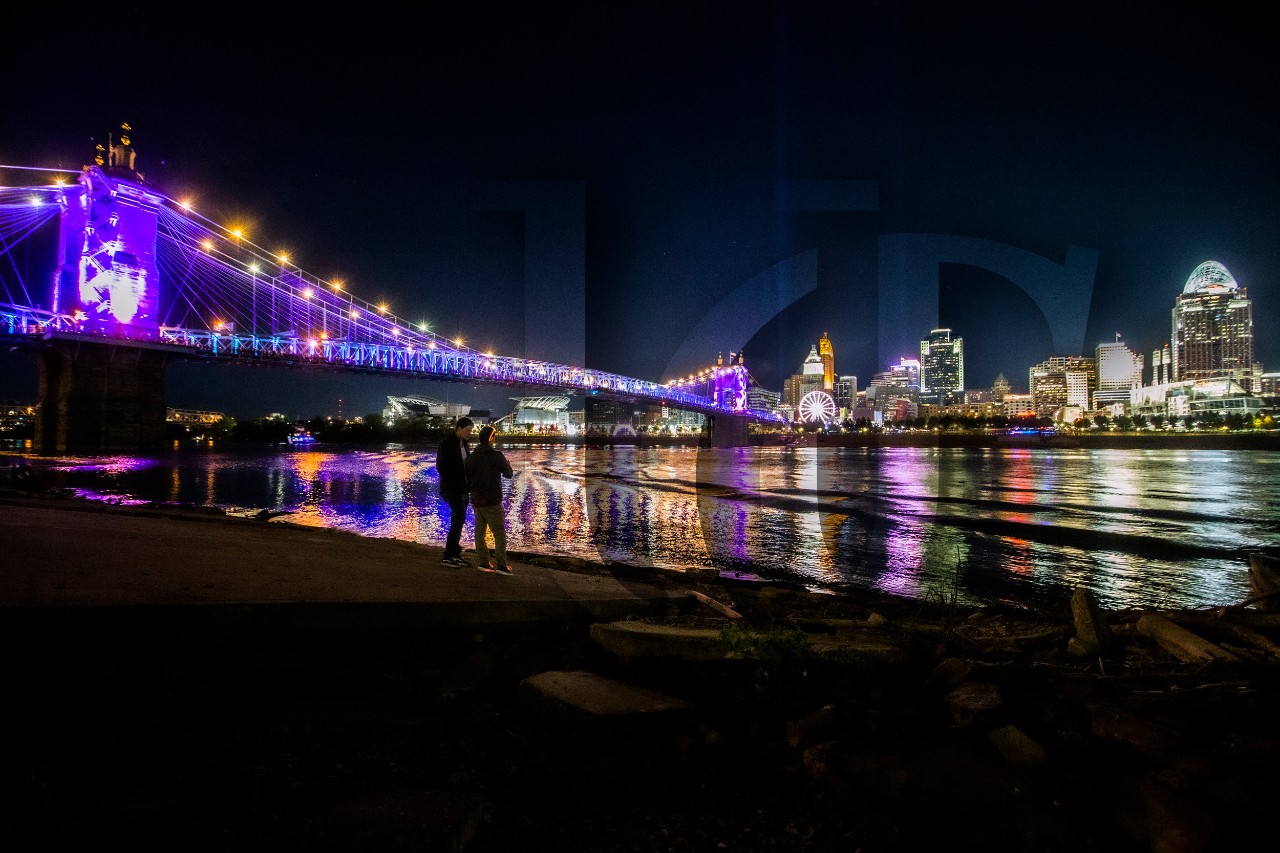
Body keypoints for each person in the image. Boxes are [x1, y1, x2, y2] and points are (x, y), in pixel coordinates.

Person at [464, 424, 515, 575]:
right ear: (491, 438)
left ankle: (483, 562)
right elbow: (508, 474)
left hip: (476, 500)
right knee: (499, 534)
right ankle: (501, 565)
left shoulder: (471, 457)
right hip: (492, 500)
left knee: (480, 532)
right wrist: (509, 466)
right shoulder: (497, 456)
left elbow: (468, 478)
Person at [436, 416, 474, 567]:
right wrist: (457, 477)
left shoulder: (464, 444)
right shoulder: (446, 444)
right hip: (452, 488)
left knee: (458, 520)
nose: (470, 433)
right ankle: (448, 556)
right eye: (467, 430)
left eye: (471, 430)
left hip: (463, 488)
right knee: (458, 518)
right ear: (459, 428)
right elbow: (441, 467)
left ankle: (455, 554)